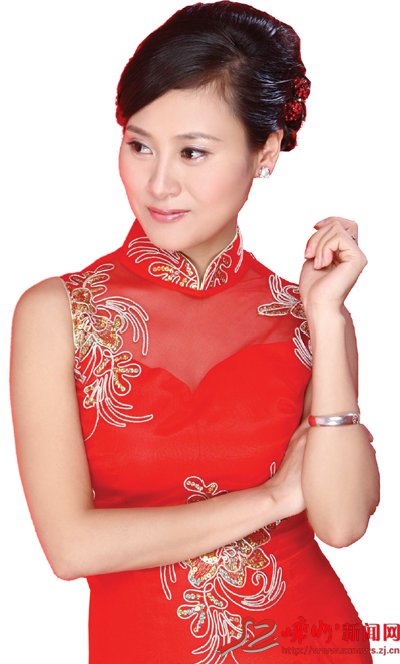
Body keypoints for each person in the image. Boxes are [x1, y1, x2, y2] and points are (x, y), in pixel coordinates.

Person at [9, 1, 380, 662]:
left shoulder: (307, 318)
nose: (159, 183)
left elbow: (343, 522)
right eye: (139, 145)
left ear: (265, 152)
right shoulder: (57, 313)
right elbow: (70, 547)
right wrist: (274, 498)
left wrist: (327, 316)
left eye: (193, 152)